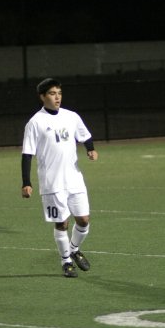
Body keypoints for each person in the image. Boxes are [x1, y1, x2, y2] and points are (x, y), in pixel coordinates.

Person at [21, 77, 98, 278]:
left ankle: (73, 249)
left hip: (74, 178)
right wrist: (26, 182)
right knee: (61, 223)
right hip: (52, 183)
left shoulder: (71, 116)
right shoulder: (35, 122)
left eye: (59, 93)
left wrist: (90, 149)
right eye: (53, 93)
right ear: (42, 97)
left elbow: (85, 135)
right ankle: (65, 261)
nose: (57, 97)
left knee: (83, 220)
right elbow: (27, 154)